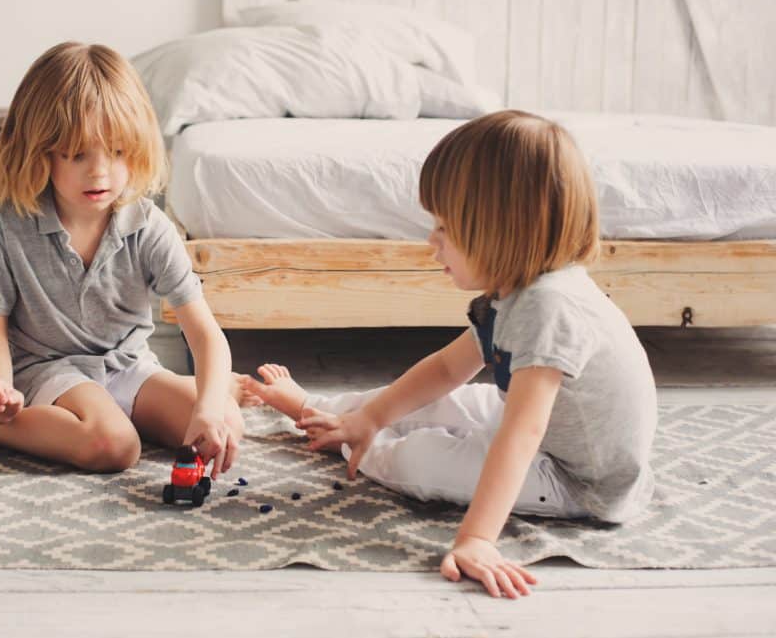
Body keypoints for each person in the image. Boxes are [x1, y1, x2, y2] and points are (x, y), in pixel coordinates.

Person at [242, 110, 657, 598]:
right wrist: (374, 413)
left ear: (501, 229)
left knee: (420, 460)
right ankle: (336, 415)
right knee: (428, 402)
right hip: (537, 430)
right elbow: (447, 369)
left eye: (445, 227)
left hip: (577, 479)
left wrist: (477, 539)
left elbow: (524, 435)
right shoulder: (517, 290)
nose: (430, 241)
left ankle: (352, 443)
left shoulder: (550, 306)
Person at [0, 42, 246, 477]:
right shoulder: (5, 224)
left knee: (226, 420)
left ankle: (127, 413)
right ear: (40, 150)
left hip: (128, 366)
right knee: (115, 446)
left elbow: (206, 335)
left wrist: (209, 409)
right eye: (77, 153)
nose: (100, 171)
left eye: (117, 151)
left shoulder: (149, 227)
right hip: (50, 372)